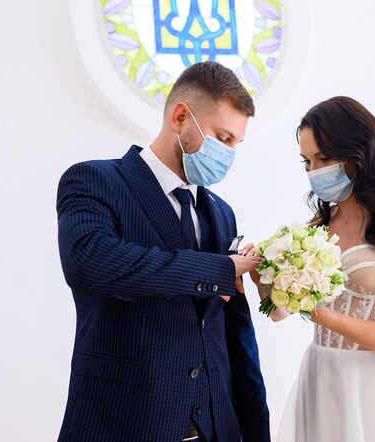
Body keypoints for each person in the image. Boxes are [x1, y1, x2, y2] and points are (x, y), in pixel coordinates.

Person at [56, 61, 270, 442]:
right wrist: (219, 270)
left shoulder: (222, 212)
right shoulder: (94, 181)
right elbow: (90, 262)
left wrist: (255, 430)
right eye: (222, 138)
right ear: (181, 117)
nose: (230, 153)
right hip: (125, 424)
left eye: (236, 143)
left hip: (217, 429)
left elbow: (236, 337)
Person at [254, 96, 375, 441]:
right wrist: (262, 276)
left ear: (360, 152)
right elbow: (281, 311)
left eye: (324, 158)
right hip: (322, 379)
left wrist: (326, 318)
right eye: (307, 161)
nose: (314, 171)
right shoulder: (319, 225)